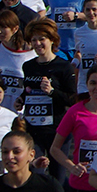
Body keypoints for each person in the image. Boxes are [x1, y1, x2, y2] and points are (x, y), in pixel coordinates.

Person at [20, 21, 78, 173]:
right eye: (34, 40)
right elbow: (28, 91)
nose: (37, 44)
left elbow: (72, 99)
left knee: (58, 175)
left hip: (56, 130)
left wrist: (52, 92)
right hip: (33, 129)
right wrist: (21, 99)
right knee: (34, 171)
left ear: (52, 40)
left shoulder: (63, 66)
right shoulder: (28, 66)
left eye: (42, 39)